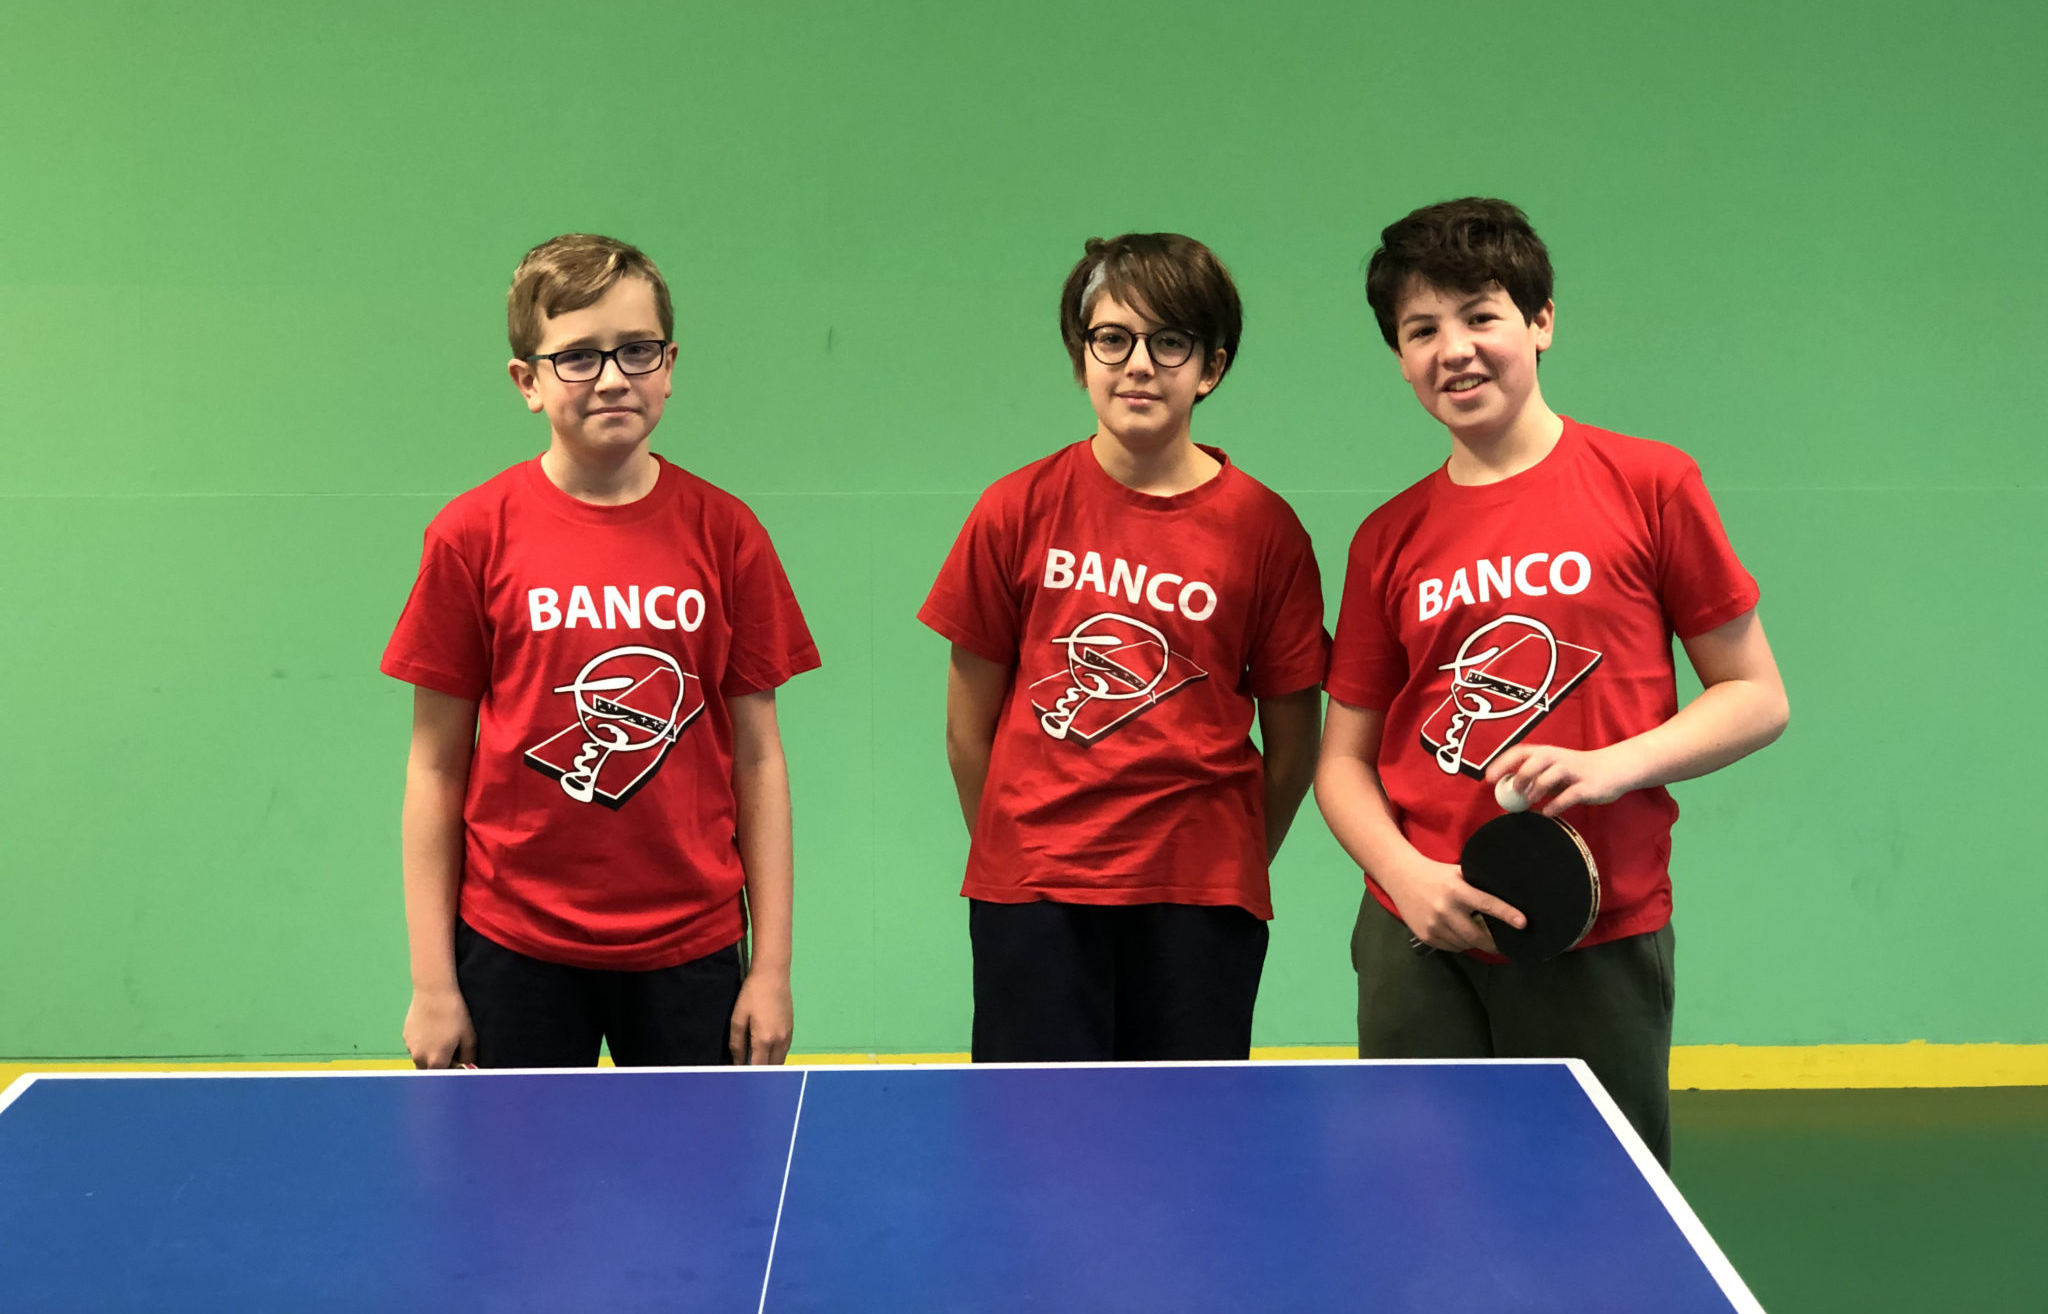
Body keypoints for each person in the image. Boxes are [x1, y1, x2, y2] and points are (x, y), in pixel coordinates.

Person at [1315, 198, 1788, 1164]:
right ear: (1399, 358)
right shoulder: (1387, 538)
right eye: (1421, 330)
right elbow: (1343, 764)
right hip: (1419, 936)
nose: (1454, 349)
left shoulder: (1649, 484)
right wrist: (1404, 878)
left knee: (1594, 1213)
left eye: (1480, 316)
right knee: (1419, 1210)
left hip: (1594, 929)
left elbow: (1755, 696)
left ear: (1541, 322)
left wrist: (1615, 765)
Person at [382, 233, 819, 1069]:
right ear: (528, 382)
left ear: (669, 365)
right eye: (578, 356)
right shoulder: (470, 536)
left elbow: (759, 759)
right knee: (515, 1161)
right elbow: (435, 767)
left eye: (637, 350)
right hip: (513, 946)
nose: (614, 377)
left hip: (691, 946)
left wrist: (772, 970)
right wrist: (433, 985)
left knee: (702, 1160)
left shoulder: (728, 534)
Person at [919, 233, 1329, 1062]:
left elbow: (1294, 748)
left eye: (1169, 341)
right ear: (1083, 358)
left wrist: (1224, 862)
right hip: (1034, 892)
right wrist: (1018, 850)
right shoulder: (1014, 508)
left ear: (1210, 367)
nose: (1138, 365)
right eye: (1113, 339)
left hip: (1201, 897)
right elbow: (968, 731)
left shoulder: (1267, 529)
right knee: (1033, 1134)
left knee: (1185, 1136)